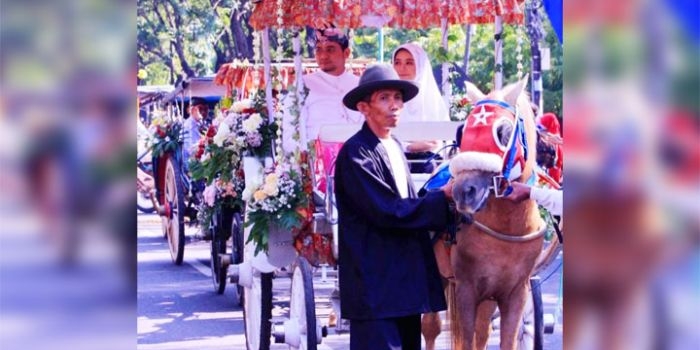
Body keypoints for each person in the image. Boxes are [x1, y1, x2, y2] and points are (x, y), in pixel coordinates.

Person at [335, 64, 454, 350]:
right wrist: (443, 199)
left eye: (398, 98)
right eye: (385, 98)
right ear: (364, 107)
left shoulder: (394, 145)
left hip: (404, 282)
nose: (395, 106)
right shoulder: (355, 153)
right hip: (375, 281)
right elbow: (387, 209)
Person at [392, 43, 450, 173]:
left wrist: (417, 145)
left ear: (420, 65)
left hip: (429, 163)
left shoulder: (432, 99)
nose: (402, 68)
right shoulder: (388, 99)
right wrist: (410, 147)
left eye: (409, 63)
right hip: (393, 161)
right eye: (397, 62)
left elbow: (438, 142)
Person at [299, 26, 362, 143]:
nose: (323, 56)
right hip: (317, 156)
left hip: (355, 155)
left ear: (346, 53)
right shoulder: (303, 84)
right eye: (318, 49)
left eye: (330, 49)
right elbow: (292, 131)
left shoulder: (359, 85)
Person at [182, 97, 208, 162]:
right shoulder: (189, 125)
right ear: (192, 110)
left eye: (205, 109)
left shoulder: (201, 123)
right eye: (200, 109)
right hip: (191, 161)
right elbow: (192, 149)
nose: (203, 112)